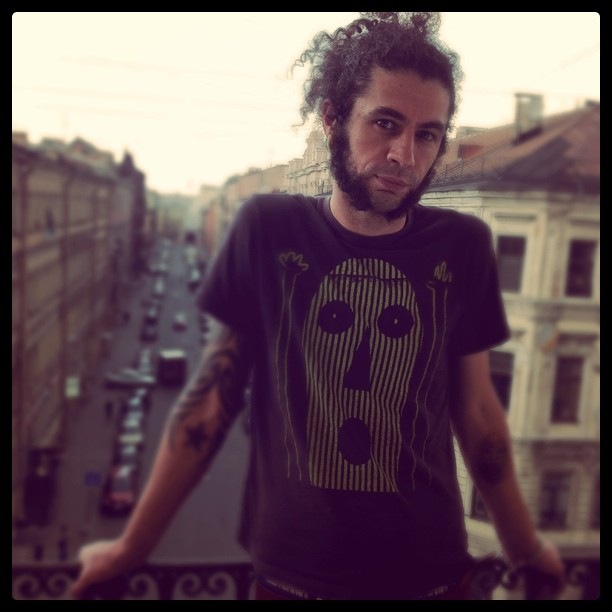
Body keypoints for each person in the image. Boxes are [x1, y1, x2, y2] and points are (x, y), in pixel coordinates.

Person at [70, 12, 567, 600]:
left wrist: (524, 547)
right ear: (332, 119)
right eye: (385, 123)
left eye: (428, 134)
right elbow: (211, 400)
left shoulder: (462, 245)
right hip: (291, 579)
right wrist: (131, 548)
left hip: (430, 577)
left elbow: (478, 412)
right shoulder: (267, 228)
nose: (405, 155)